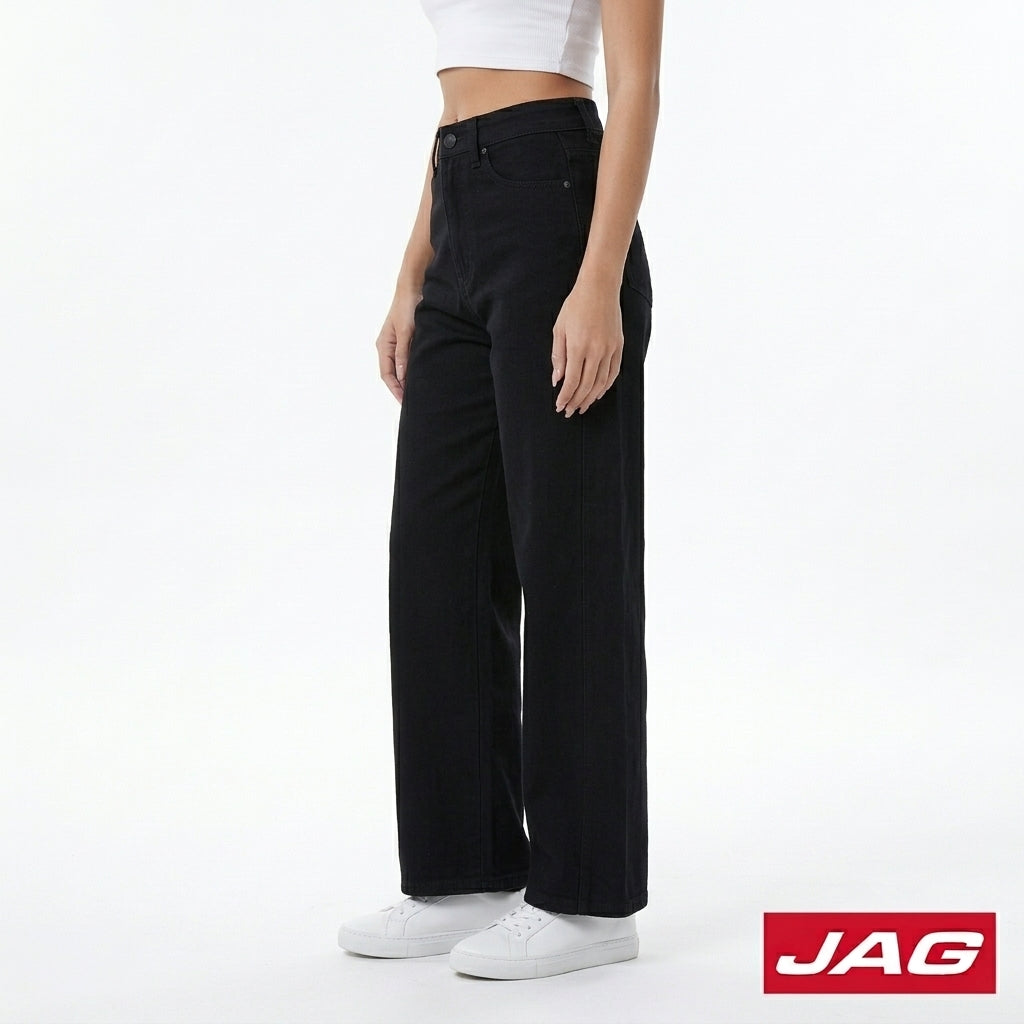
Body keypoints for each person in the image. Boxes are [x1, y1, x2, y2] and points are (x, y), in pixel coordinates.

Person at [338, 0, 662, 980]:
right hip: (458, 197)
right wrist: (413, 273)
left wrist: (599, 277)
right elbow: (457, 104)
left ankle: (589, 900)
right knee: (437, 562)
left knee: (571, 561)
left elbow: (636, 87)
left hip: (556, 201)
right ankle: (467, 872)